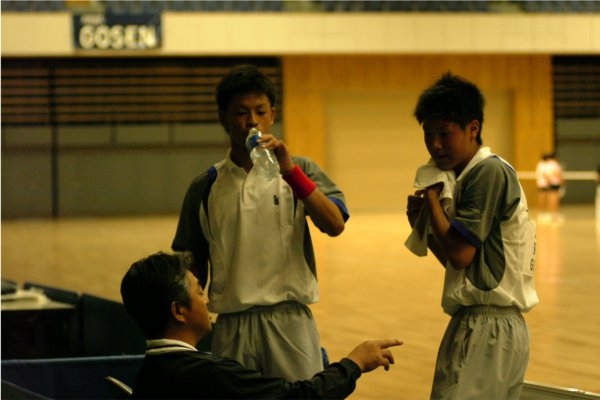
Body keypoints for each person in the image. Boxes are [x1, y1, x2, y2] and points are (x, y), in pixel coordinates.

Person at [172, 64, 349, 381]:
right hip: (231, 324)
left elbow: (335, 224)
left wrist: (290, 172)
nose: (252, 121)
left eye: (260, 111)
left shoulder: (300, 169)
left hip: (290, 321)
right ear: (224, 117)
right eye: (241, 112)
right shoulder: (206, 185)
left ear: (272, 115)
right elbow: (191, 265)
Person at [406, 72, 539, 400]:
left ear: (473, 128)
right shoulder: (470, 175)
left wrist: (432, 197)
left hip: (485, 328)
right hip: (496, 328)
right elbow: (463, 266)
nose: (435, 145)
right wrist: (425, 226)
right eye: (428, 134)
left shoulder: (487, 171)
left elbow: (460, 255)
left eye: (445, 133)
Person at [121, 252, 403, 399]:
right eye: (199, 292)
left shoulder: (150, 374)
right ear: (178, 311)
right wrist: (355, 363)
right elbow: (299, 398)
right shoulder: (210, 375)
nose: (206, 301)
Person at [535, 152, 565, 221]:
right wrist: (559, 180)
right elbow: (556, 173)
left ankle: (544, 213)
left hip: (544, 183)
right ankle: (553, 214)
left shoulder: (542, 164)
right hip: (553, 183)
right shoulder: (553, 164)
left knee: (546, 198)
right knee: (553, 199)